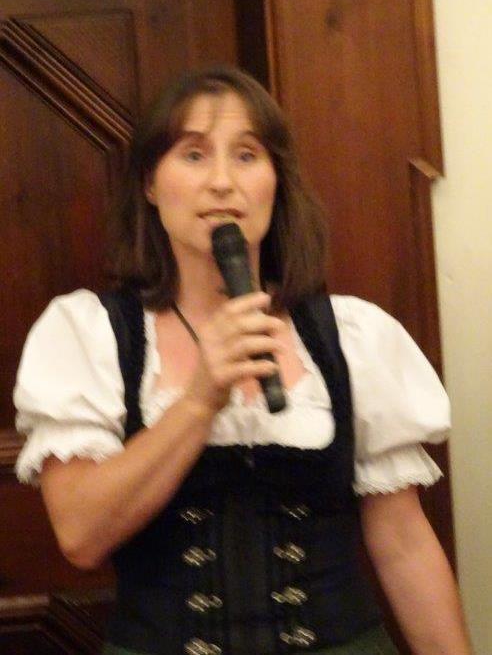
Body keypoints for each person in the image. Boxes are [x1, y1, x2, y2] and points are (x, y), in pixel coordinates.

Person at [14, 65, 472, 655]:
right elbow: (81, 536)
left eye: (247, 155)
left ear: (275, 181)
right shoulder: (89, 334)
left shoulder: (353, 337)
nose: (222, 183)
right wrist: (200, 400)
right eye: (194, 155)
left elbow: (403, 543)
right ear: (150, 182)